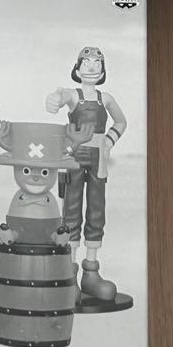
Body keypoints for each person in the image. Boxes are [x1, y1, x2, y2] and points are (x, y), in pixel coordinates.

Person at [46, 46, 128, 303]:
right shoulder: (73, 95)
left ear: (103, 70)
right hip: (74, 158)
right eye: (87, 62)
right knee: (71, 210)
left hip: (98, 161)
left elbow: (121, 122)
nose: (92, 67)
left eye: (97, 63)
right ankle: (69, 273)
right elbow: (59, 98)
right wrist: (54, 98)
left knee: (96, 210)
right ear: (77, 68)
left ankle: (91, 273)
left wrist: (109, 141)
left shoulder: (106, 99)